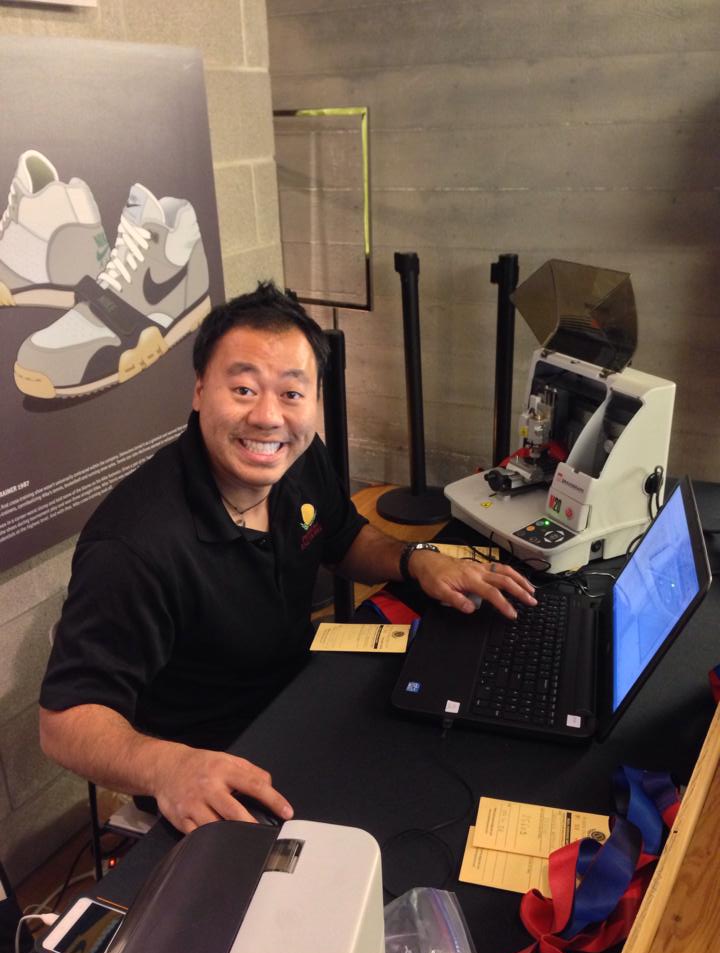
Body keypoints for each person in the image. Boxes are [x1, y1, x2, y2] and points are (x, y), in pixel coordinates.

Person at [39, 282, 536, 834]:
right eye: (244, 389)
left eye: (292, 393)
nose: (269, 417)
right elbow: (64, 721)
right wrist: (167, 767)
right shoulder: (134, 545)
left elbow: (342, 537)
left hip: (301, 699)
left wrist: (416, 560)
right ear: (200, 389)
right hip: (218, 770)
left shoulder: (298, 458)